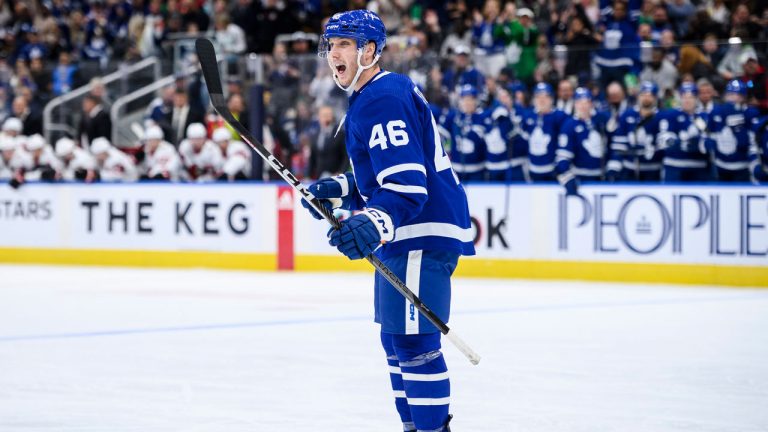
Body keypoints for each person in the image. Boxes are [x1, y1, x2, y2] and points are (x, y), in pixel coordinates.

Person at [301, 10, 474, 432]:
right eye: (331, 45)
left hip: (419, 229)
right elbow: (386, 175)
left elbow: (409, 186)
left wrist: (374, 222)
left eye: (344, 43)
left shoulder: (382, 95)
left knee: (415, 344)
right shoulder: (370, 98)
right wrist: (342, 188)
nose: (333, 53)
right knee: (396, 341)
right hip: (406, 232)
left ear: (370, 50)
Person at [703, 80, 760, 182]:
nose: (733, 98)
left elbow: (753, 140)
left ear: (743, 97)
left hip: (743, 166)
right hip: (720, 165)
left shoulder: (750, 113)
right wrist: (712, 143)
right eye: (730, 94)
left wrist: (740, 131)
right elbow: (708, 133)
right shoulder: (716, 111)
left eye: (737, 95)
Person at [555, 87, 607, 195]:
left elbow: (612, 145)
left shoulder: (601, 120)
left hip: (602, 177)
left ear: (591, 104)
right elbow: (562, 156)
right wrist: (567, 177)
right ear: (575, 104)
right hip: (580, 178)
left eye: (586, 102)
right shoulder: (569, 125)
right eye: (579, 102)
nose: (583, 106)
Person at [608, 81, 664, 181]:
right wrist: (614, 167)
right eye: (643, 95)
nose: (646, 98)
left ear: (655, 98)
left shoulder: (661, 118)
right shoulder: (627, 115)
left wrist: (655, 149)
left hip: (653, 171)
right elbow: (618, 145)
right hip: (629, 169)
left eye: (650, 95)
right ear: (638, 97)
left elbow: (664, 145)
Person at [656, 83, 711, 182]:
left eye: (690, 97)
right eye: (684, 97)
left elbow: (706, 140)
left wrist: (696, 144)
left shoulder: (702, 117)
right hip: (674, 167)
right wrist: (683, 142)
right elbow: (664, 141)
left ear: (696, 99)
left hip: (698, 168)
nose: (687, 100)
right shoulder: (671, 115)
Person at [520, 82, 570, 181]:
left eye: (545, 97)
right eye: (538, 97)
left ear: (551, 99)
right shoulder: (528, 116)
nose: (541, 100)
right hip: (533, 170)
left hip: (553, 171)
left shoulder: (560, 116)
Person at [450, 84, 488, 182]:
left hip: (477, 170)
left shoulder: (482, 117)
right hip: (456, 169)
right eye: (464, 99)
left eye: (470, 99)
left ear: (476, 101)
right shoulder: (454, 116)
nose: (467, 103)